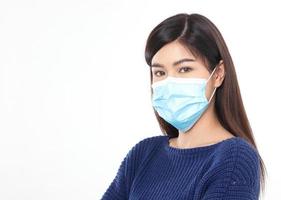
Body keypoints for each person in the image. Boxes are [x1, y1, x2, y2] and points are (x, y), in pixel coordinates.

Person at [100, 13, 266, 200]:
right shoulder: (144, 153)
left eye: (184, 69)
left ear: (218, 74)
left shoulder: (234, 158)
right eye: (160, 72)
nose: (170, 83)